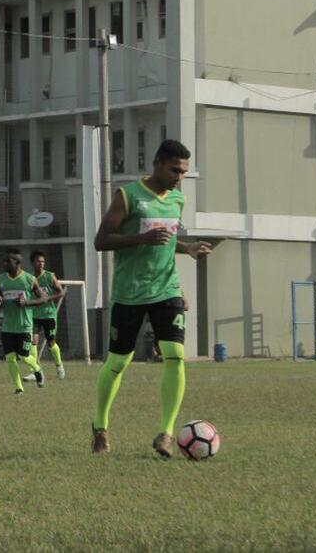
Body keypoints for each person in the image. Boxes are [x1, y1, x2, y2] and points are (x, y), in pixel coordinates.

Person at [91, 139, 212, 458]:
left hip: (166, 289)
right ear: (157, 163)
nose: (179, 177)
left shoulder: (177, 200)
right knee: (118, 362)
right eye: (175, 170)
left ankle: (166, 433)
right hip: (129, 292)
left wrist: (187, 249)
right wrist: (139, 239)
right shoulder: (128, 196)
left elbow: (166, 240)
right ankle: (100, 427)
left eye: (184, 172)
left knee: (174, 355)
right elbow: (101, 240)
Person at [0, 249, 48, 394]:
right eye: (4, 261)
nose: (4, 264)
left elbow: (44, 298)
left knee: (24, 357)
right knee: (10, 358)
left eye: (8, 261)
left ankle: (37, 369)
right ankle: (19, 388)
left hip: (24, 326)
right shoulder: (0, 280)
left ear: (17, 263)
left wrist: (27, 302)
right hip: (7, 327)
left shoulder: (29, 279)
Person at [29, 249, 67, 380]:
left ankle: (59, 365)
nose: (41, 264)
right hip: (34, 315)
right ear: (33, 263)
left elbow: (61, 292)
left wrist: (48, 298)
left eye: (43, 261)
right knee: (33, 342)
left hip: (49, 314)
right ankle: (36, 371)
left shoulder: (49, 276)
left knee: (51, 342)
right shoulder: (30, 278)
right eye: (38, 261)